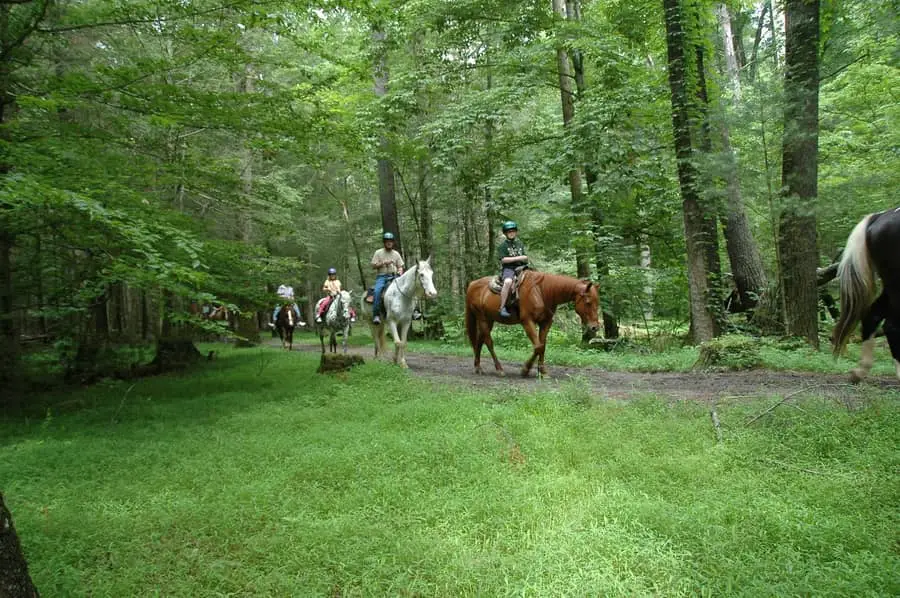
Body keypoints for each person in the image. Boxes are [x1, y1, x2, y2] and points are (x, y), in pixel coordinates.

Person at [496, 220, 529, 318]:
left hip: (522, 267)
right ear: (506, 233)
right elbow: (503, 260)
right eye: (509, 232)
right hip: (509, 269)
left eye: (513, 231)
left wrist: (524, 258)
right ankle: (502, 307)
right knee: (508, 282)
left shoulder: (520, 244)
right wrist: (519, 258)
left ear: (516, 232)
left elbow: (525, 257)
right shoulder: (503, 246)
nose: (511, 233)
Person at [371, 232, 404, 325]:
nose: (389, 243)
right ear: (384, 242)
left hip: (394, 276)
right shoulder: (378, 252)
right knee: (377, 292)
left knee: (406, 289)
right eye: (387, 241)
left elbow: (400, 266)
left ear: (393, 242)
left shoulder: (396, 254)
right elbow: (373, 265)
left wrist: (400, 272)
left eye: (390, 241)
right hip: (382, 276)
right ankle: (376, 315)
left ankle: (413, 311)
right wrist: (383, 263)